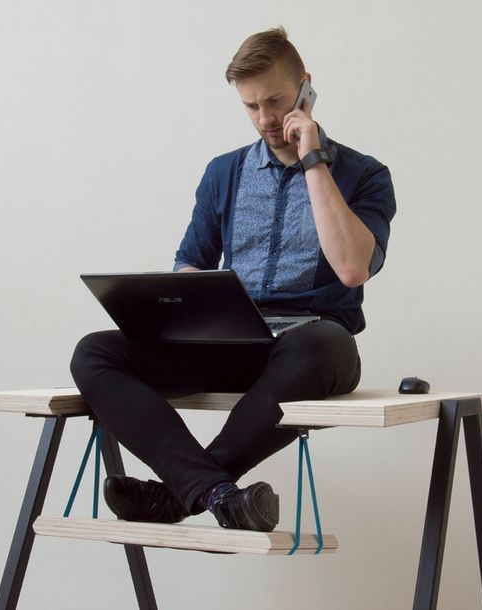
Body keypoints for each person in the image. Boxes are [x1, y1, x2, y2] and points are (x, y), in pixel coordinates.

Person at [70, 27, 396, 532]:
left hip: (311, 350)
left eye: (275, 101)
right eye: (250, 106)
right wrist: (185, 305)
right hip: (230, 341)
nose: (265, 119)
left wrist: (313, 160)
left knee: (316, 344)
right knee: (95, 351)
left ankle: (176, 497)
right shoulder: (222, 173)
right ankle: (219, 493)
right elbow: (190, 264)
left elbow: (353, 268)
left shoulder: (364, 175)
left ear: (305, 89)